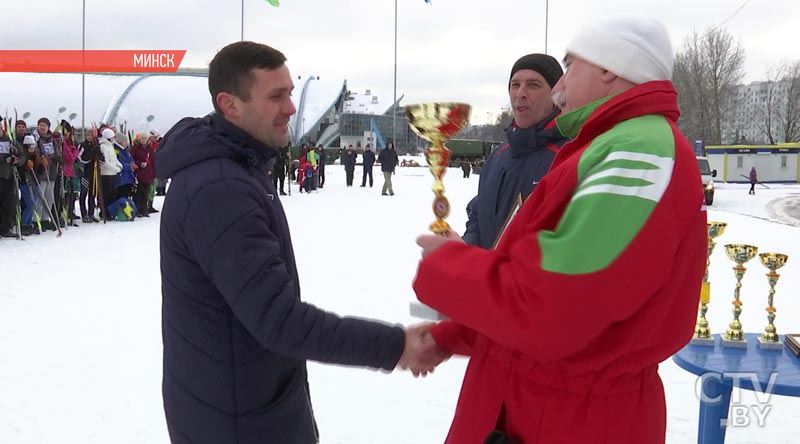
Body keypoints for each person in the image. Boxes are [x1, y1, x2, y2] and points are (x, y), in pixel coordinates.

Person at [413, 15, 707, 444]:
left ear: (609, 68)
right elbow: (537, 275)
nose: (559, 87)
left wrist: (446, 268)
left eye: (569, 66)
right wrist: (451, 334)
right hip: (531, 401)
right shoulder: (608, 143)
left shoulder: (639, 149)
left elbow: (555, 307)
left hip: (569, 418)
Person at [154, 41, 447, 444]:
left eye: (290, 92)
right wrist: (394, 346)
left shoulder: (239, 166)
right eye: (276, 96)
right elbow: (278, 320)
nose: (290, 108)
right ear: (230, 104)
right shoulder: (220, 188)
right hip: (236, 419)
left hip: (244, 401)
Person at [464, 53, 566, 249]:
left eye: (533, 85)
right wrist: (469, 248)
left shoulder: (568, 155)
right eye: (515, 85)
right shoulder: (497, 156)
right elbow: (478, 213)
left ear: (556, 94)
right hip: (487, 276)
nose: (520, 94)